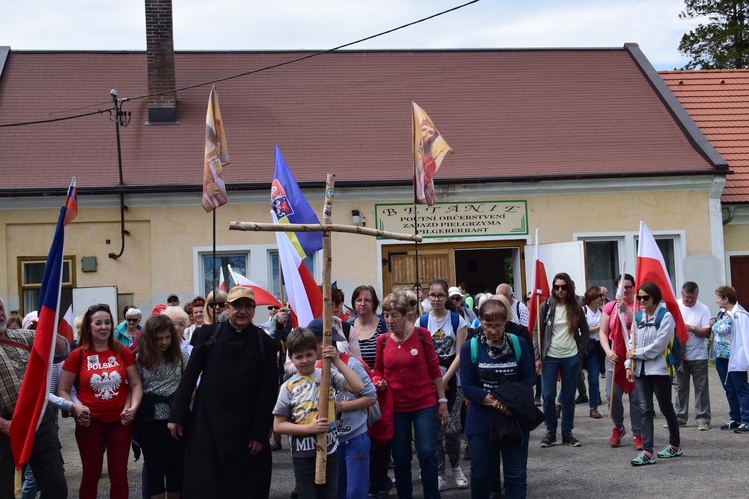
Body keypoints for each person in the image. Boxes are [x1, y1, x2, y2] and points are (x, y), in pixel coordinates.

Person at [168, 287, 277, 498]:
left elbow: (269, 391)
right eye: (237, 305)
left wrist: (260, 431)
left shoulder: (266, 343)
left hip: (246, 429)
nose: (242, 311)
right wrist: (177, 415)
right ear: (227, 308)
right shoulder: (207, 335)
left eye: (247, 306)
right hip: (208, 425)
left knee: (245, 487)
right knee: (206, 484)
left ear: (254, 310)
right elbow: (189, 377)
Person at [58, 303, 143, 499]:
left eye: (107, 323)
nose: (104, 327)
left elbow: (136, 385)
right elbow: (62, 389)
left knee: (119, 476)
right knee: (90, 476)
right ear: (89, 327)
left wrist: (133, 408)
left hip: (120, 423)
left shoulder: (123, 351)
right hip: (90, 425)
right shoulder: (78, 354)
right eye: (98, 323)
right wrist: (75, 408)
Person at [273, 327, 365, 499]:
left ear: (316, 352)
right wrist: (309, 429)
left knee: (330, 495)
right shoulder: (288, 387)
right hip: (303, 455)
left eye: (308, 354)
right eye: (298, 357)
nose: (305, 360)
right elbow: (278, 425)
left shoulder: (327, 374)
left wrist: (336, 361)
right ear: (291, 358)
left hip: (330, 451)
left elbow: (358, 387)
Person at [375, 291, 449, 499]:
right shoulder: (382, 340)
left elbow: (435, 370)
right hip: (397, 406)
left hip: (424, 403)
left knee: (426, 452)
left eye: (394, 315)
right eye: (386, 315)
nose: (389, 320)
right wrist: (378, 382)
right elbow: (378, 370)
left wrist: (442, 401)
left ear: (405, 314)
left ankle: (432, 495)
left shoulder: (421, 335)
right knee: (401, 458)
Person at [460, 299, 535, 499]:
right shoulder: (470, 347)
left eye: (498, 325)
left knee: (516, 475)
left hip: (514, 416)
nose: (493, 330)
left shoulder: (518, 344)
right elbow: (468, 387)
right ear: (481, 322)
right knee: (480, 475)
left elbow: (528, 379)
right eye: (488, 325)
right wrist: (497, 403)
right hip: (481, 418)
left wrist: (510, 404)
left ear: (505, 322)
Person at [0, 297, 70, 499]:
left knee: (55, 485)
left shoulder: (26, 337)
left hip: (39, 421)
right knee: (4, 491)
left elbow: (63, 351)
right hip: (4, 428)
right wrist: (4, 424)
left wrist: (48, 328)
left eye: (1, 309)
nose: (0, 314)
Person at [626, 282, 682, 465]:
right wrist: (628, 364)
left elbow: (659, 345)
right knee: (645, 410)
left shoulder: (666, 317)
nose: (641, 300)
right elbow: (631, 342)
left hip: (659, 370)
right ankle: (647, 452)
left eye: (645, 297)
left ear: (655, 298)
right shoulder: (638, 317)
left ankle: (675, 445)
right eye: (639, 297)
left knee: (666, 407)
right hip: (641, 371)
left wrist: (635, 355)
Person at [421, 280, 469, 491]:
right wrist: (435, 382)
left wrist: (446, 379)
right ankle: (440, 471)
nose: (437, 299)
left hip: (453, 380)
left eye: (441, 295)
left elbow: (460, 354)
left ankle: (456, 466)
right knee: (435, 430)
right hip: (430, 382)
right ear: (428, 297)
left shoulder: (457, 321)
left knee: (452, 429)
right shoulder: (422, 322)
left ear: (446, 298)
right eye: (433, 295)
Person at [136, 314, 190, 499]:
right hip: (150, 420)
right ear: (150, 338)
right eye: (159, 339)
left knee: (176, 467)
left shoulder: (181, 355)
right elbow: (135, 387)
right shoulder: (140, 358)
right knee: (154, 468)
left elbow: (191, 385)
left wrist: (181, 406)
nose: (164, 342)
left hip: (176, 418)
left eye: (168, 337)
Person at [534, 272, 589, 448]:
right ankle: (551, 432)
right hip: (550, 356)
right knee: (548, 395)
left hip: (570, 356)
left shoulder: (576, 307)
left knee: (568, 396)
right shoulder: (545, 306)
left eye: (563, 287)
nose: (560, 290)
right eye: (557, 287)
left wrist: (579, 352)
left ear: (569, 288)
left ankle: (567, 433)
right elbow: (537, 332)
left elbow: (585, 332)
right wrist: (537, 357)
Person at [599, 273, 643, 449]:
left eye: (628, 287)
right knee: (612, 395)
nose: (625, 290)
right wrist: (608, 351)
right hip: (615, 355)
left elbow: (641, 327)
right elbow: (603, 332)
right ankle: (618, 427)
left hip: (635, 356)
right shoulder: (610, 307)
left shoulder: (639, 306)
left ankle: (638, 433)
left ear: (634, 288)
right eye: (621, 287)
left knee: (636, 397)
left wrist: (626, 310)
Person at [674, 281, 712, 430]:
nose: (689, 300)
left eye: (692, 298)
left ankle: (702, 419)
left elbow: (707, 332)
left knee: (701, 388)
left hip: (698, 355)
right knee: (680, 388)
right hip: (680, 354)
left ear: (697, 295)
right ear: (682, 294)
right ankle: (680, 417)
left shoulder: (703, 308)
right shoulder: (675, 306)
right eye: (686, 297)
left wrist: (691, 328)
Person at [722, 286, 749, 433]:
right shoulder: (723, 314)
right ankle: (735, 417)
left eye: (719, 298)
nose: (716, 300)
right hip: (723, 357)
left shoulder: (741, 315)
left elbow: (746, 338)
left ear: (726, 299)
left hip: (737, 357)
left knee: (742, 389)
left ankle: (747, 420)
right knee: (730, 389)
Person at [348, 285, 388, 370]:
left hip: (377, 379)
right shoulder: (348, 326)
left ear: (373, 304)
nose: (362, 304)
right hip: (353, 379)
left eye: (367, 300)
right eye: (359, 300)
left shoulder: (384, 326)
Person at [582, 286, 604, 419]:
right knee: (573, 378)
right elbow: (584, 329)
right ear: (592, 297)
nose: (601, 299)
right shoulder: (583, 310)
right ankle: (560, 404)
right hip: (583, 346)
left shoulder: (601, 311)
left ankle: (593, 407)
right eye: (598, 296)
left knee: (594, 379)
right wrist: (600, 327)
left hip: (596, 347)